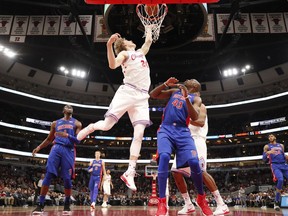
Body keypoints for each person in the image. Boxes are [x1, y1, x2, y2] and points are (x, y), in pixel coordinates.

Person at [77, 25, 154, 192]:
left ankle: (130, 171)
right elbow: (112, 65)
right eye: (126, 40)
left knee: (140, 133)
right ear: (124, 45)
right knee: (106, 126)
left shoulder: (140, 52)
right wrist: (109, 45)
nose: (130, 39)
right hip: (127, 91)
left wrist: (149, 27)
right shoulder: (124, 53)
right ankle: (91, 127)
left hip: (142, 96)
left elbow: (148, 41)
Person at [150, 77, 213, 216]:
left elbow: (195, 117)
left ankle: (201, 199)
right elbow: (153, 95)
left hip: (182, 131)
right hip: (166, 129)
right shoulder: (174, 91)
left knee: (194, 162)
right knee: (165, 157)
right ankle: (161, 202)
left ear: (196, 88)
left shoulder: (196, 99)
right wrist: (165, 84)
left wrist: (186, 98)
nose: (189, 78)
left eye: (193, 79)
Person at [171, 93, 230, 215]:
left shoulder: (201, 106)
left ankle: (221, 204)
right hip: (184, 141)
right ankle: (188, 204)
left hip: (197, 140)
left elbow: (200, 122)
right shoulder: (185, 107)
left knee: (201, 172)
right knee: (176, 172)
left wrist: (183, 120)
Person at [31, 104, 82, 214]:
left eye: (70, 106)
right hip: (56, 148)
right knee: (48, 174)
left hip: (69, 150)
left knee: (67, 179)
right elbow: (49, 139)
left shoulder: (77, 123)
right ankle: (40, 204)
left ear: (72, 111)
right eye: (66, 106)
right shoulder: (55, 123)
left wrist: (67, 135)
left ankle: (67, 203)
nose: (69, 107)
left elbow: (78, 140)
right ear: (63, 110)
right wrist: (39, 147)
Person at [263, 133, 288, 211]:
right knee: (280, 180)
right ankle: (276, 202)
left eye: (271, 136)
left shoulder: (281, 145)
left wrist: (286, 156)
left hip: (284, 165)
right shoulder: (267, 146)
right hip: (275, 165)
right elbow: (264, 159)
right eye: (269, 137)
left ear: (275, 137)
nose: (270, 137)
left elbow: (283, 154)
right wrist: (268, 153)